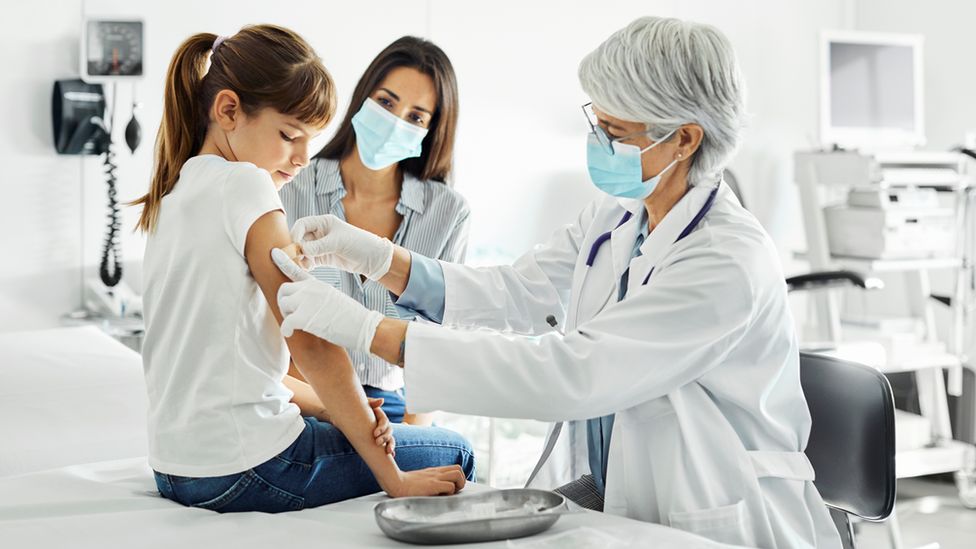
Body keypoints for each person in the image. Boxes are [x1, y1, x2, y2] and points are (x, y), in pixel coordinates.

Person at [271, 16, 842, 548]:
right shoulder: (619, 213)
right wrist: (376, 257)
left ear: (685, 139)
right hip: (620, 490)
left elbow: (570, 373)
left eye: (615, 131)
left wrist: (366, 328)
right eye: (598, 120)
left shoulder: (725, 261)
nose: (596, 140)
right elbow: (515, 292)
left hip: (716, 513)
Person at [131, 24, 473, 513]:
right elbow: (309, 336)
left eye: (310, 140)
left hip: (177, 470)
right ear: (228, 110)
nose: (300, 158)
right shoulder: (248, 185)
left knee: (372, 428)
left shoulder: (175, 193)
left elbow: (228, 362)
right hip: (249, 464)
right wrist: (393, 478)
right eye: (291, 136)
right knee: (455, 450)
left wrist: (330, 408)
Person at [279, 36, 467, 426]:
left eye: (416, 117)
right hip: (300, 397)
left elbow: (440, 345)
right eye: (386, 102)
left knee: (455, 457)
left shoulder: (448, 213)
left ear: (431, 130)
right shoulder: (291, 185)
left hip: (391, 407)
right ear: (363, 99)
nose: (395, 122)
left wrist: (411, 441)